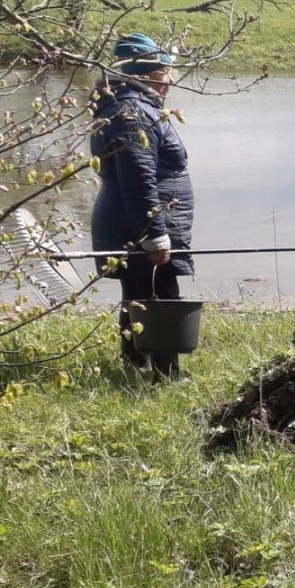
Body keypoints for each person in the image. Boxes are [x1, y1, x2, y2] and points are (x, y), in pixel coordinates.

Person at [90, 33, 194, 379]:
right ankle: (167, 377)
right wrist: (155, 235)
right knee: (159, 294)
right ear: (147, 73)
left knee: (138, 292)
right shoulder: (131, 112)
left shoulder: (131, 105)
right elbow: (138, 178)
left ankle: (134, 367)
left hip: (136, 221)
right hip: (139, 224)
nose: (171, 79)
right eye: (166, 71)